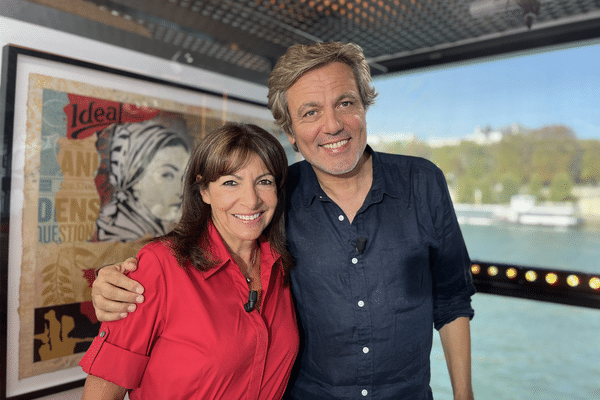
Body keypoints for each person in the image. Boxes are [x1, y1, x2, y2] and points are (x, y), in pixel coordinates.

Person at [91, 42, 476, 400]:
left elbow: (452, 298)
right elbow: (197, 253)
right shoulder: (281, 195)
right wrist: (118, 280)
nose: (332, 125)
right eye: (310, 112)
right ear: (291, 132)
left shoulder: (423, 182)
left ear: (364, 107)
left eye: (345, 103)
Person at [80, 123, 299, 399]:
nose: (252, 200)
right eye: (231, 182)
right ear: (204, 191)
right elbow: (102, 393)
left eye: (264, 181)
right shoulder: (158, 267)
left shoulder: (282, 266)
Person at [93, 120, 193, 242]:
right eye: (167, 175)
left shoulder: (156, 230)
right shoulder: (117, 238)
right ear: (133, 179)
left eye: (184, 176)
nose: (182, 190)